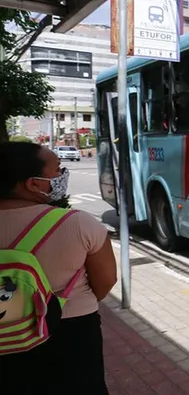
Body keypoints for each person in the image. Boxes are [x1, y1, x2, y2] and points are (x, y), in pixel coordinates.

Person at [0, 142, 117, 394]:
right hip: (70, 332)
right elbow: (105, 282)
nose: (62, 175)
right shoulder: (78, 224)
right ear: (32, 183)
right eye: (57, 170)